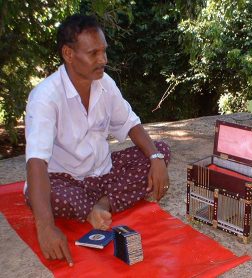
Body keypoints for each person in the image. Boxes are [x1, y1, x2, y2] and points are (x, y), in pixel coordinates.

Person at [25, 14, 171, 266]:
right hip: (64, 181)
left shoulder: (105, 84)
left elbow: (130, 123)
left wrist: (156, 158)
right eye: (93, 53)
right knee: (43, 196)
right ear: (68, 54)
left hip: (104, 174)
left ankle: (101, 205)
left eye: (104, 51)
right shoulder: (45, 97)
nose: (103, 60)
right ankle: (99, 205)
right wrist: (45, 227)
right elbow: (36, 162)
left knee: (160, 151)